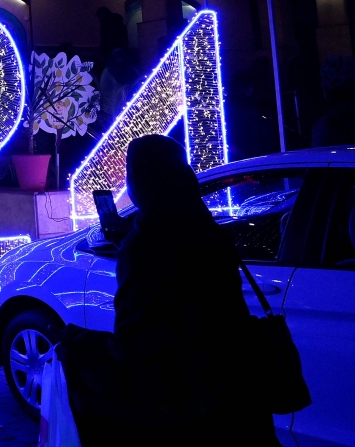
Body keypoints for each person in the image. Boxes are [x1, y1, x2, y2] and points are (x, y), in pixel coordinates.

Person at [61, 135, 278, 445]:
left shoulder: (145, 246)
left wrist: (81, 346)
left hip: (185, 406)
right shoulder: (206, 229)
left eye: (129, 173)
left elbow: (137, 343)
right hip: (236, 393)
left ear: (141, 179)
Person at [98, 48, 139, 126]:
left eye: (121, 57)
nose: (120, 60)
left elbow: (138, 82)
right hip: (111, 108)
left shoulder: (131, 70)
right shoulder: (108, 72)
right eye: (117, 57)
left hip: (129, 107)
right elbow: (105, 92)